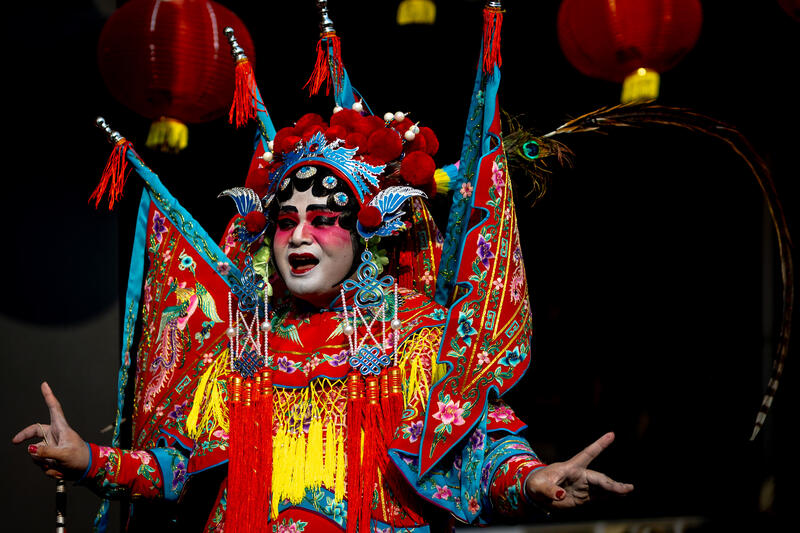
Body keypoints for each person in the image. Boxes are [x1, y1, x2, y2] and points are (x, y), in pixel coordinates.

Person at [13, 110, 632, 532]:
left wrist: (532, 479)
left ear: (368, 232)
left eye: (325, 219)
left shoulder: (414, 339)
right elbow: (175, 467)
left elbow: (476, 451)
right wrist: (88, 459)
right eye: (285, 221)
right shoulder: (242, 345)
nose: (299, 235)